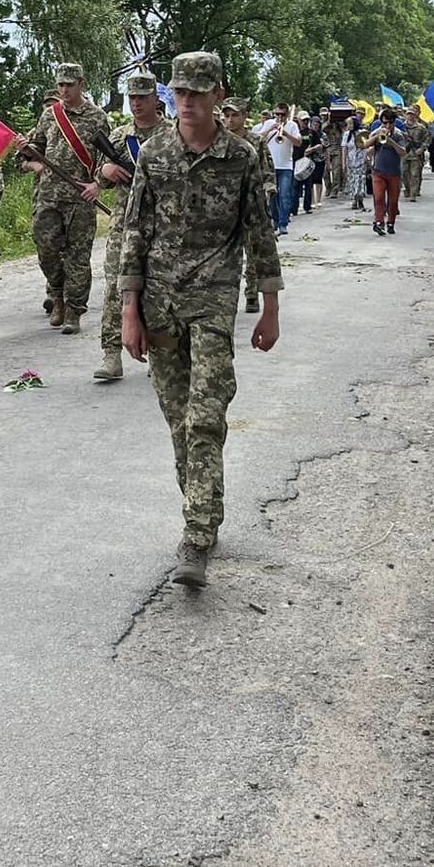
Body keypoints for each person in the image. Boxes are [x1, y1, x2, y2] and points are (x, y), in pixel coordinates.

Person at [121, 51, 283, 589]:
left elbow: (260, 232)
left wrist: (270, 308)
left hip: (214, 301)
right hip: (160, 303)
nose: (187, 102)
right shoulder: (154, 153)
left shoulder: (242, 155)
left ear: (218, 94)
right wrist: (128, 310)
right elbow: (135, 232)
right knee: (177, 419)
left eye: (197, 92)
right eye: (180, 93)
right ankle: (204, 509)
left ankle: (194, 535)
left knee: (206, 416)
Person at [19, 62, 113, 335]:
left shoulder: (97, 117)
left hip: (80, 198)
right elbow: (35, 150)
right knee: (46, 251)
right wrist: (27, 153)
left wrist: (98, 184)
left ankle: (74, 310)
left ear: (82, 85)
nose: (64, 90)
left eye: (69, 85)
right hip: (48, 196)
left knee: (78, 257)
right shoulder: (50, 116)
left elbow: (107, 157)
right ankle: (56, 295)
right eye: (60, 85)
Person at [93, 71, 169, 381]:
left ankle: (160, 353)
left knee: (160, 289)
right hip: (123, 224)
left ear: (155, 99)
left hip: (163, 225)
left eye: (143, 97)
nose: (137, 103)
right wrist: (106, 170)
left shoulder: (171, 135)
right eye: (132, 98)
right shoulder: (119, 136)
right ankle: (111, 354)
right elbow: (100, 179)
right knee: (115, 287)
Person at [222, 97, 272, 314]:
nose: (229, 120)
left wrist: (268, 188)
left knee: (252, 251)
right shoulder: (217, 140)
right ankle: (223, 296)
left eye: (234, 115)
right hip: (223, 205)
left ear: (244, 116)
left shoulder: (256, 141)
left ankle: (251, 294)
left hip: (250, 202)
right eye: (226, 115)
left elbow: (267, 170)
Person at [252, 103, 302, 234]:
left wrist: (284, 133)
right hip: (269, 165)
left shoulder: (292, 125)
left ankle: (283, 223)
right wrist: (270, 130)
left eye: (282, 114)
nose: (279, 117)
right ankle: (275, 220)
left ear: (286, 114)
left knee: (285, 195)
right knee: (272, 195)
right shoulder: (268, 123)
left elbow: (298, 142)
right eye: (277, 114)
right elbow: (256, 139)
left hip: (286, 165)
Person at [367, 107, 406, 235]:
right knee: (378, 198)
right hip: (378, 171)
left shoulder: (398, 134)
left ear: (394, 122)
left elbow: (403, 152)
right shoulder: (376, 131)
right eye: (385, 123)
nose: (387, 125)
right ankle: (378, 222)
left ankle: (390, 223)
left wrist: (391, 141)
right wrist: (376, 138)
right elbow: (365, 146)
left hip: (394, 172)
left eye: (390, 122)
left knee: (393, 201)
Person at [400, 107, 428, 201]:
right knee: (404, 173)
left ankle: (413, 193)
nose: (410, 116)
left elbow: (427, 139)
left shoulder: (421, 127)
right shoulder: (401, 127)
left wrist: (422, 148)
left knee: (415, 174)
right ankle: (407, 189)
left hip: (416, 154)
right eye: (408, 114)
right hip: (404, 153)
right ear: (405, 115)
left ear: (415, 115)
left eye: (412, 114)